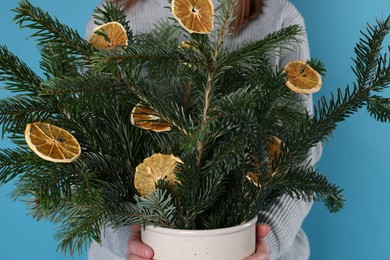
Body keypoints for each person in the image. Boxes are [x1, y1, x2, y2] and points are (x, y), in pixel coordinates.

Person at [85, 0, 322, 259]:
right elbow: (84, 149)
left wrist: (270, 237)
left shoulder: (280, 19)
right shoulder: (111, 21)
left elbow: (300, 152)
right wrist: (123, 238)